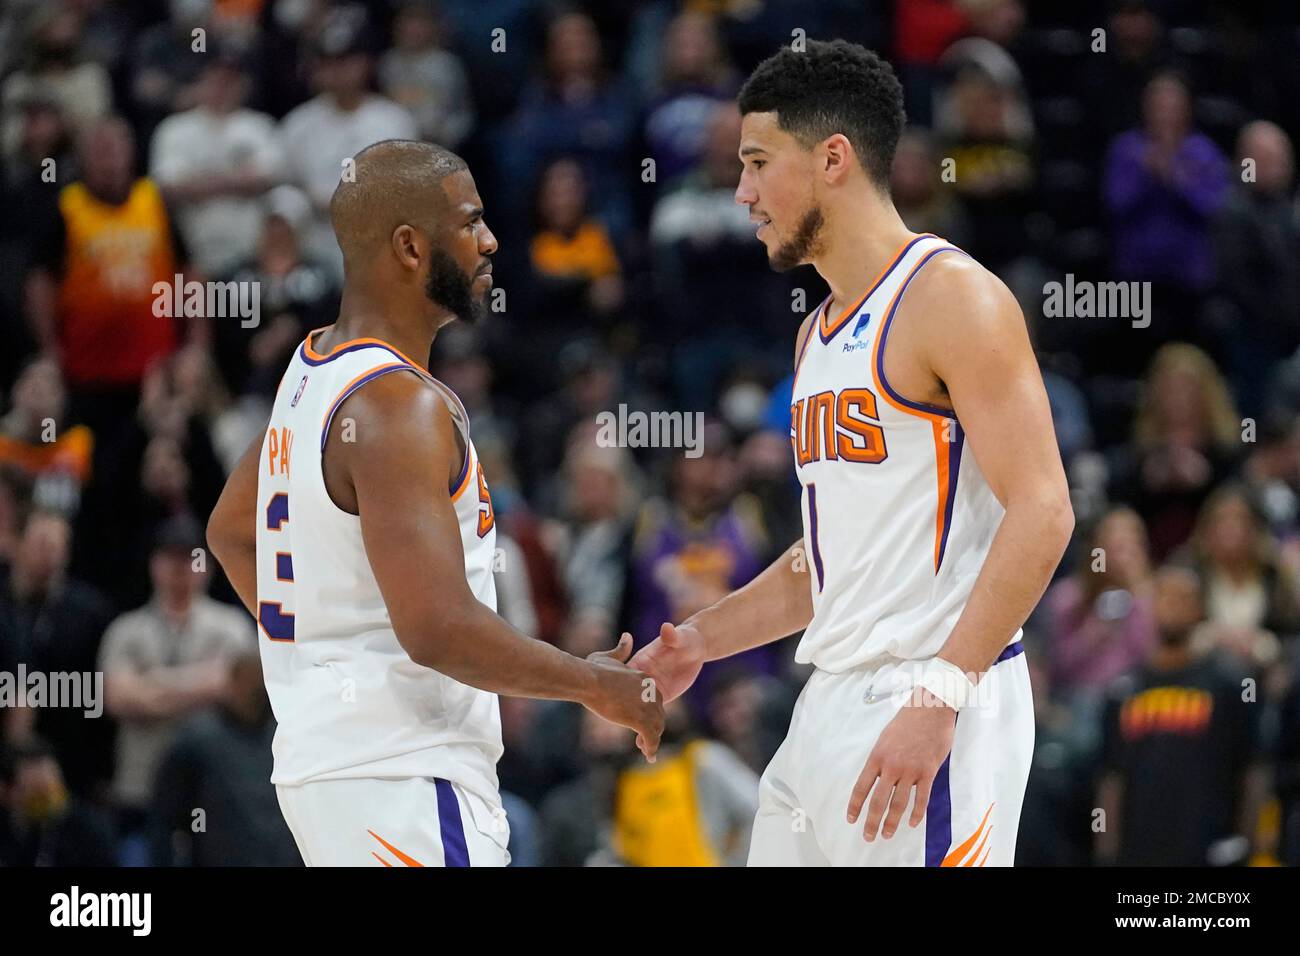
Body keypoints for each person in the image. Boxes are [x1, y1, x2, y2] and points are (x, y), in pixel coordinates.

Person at [629, 40, 1073, 866]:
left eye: (758, 162)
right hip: (827, 700)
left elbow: (1044, 511)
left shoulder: (954, 298)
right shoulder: (814, 336)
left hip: (930, 696)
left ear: (833, 157)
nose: (742, 192)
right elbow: (828, 561)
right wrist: (701, 639)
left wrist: (941, 696)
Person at [206, 139, 663, 868]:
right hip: (405, 777)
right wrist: (591, 685)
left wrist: (326, 654)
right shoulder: (397, 408)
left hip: (335, 775)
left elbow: (232, 533)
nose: (491, 240)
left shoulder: (312, 369)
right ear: (411, 247)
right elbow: (439, 630)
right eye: (470, 222)